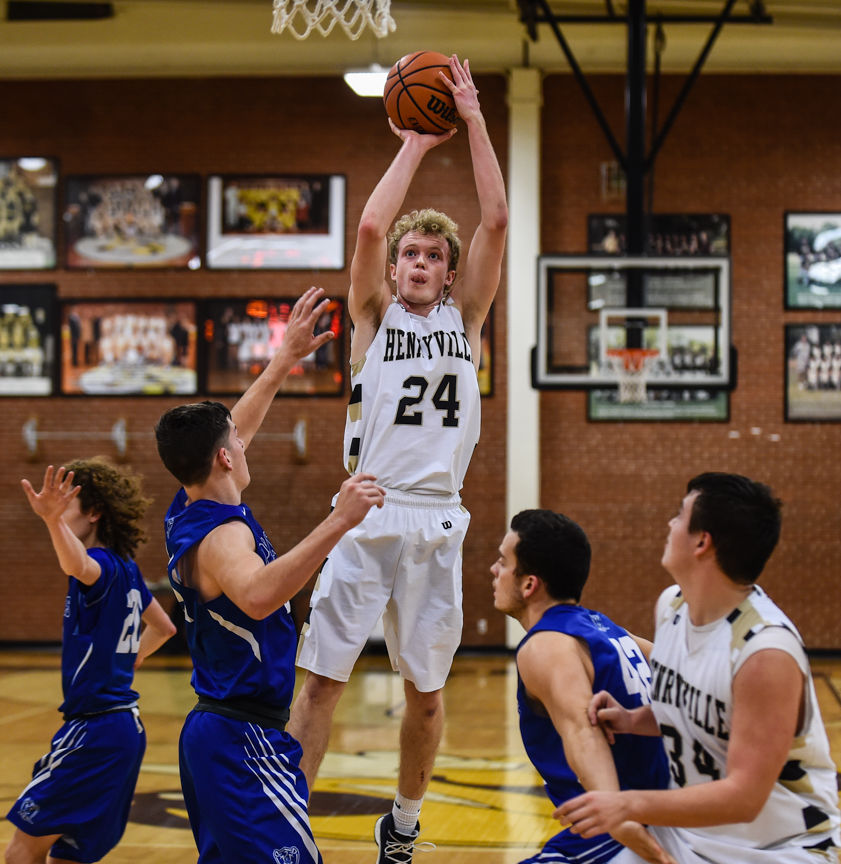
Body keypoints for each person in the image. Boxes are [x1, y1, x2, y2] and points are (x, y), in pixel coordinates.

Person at [287, 53, 508, 863]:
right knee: (322, 684)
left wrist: (473, 119)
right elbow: (371, 227)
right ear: (394, 269)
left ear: (448, 274)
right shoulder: (373, 315)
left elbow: (495, 221)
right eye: (409, 255)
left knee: (424, 695)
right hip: (365, 509)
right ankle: (287, 827)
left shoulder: (469, 318)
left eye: (430, 257)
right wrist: (415, 140)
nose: (416, 263)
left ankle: (404, 825)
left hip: (438, 520)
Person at [154, 286, 386, 864]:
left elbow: (238, 425)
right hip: (237, 741)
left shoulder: (193, 502)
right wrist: (338, 522)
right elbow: (257, 597)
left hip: (233, 734)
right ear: (225, 459)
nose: (244, 440)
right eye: (235, 441)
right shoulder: (221, 536)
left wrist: (283, 361)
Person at [558, 473, 841, 863]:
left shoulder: (765, 653)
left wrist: (626, 804)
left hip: (779, 849)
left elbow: (744, 798)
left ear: (702, 542)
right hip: (692, 837)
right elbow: (701, 713)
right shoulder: (672, 606)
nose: (669, 524)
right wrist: (633, 718)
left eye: (679, 515)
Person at [6, 458, 176, 864]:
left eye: (67, 506)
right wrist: (127, 660)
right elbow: (164, 627)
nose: (60, 513)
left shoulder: (98, 566)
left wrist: (51, 523)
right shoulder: (129, 571)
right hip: (124, 730)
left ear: (94, 513)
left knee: (20, 855)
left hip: (95, 731)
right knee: (67, 857)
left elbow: (76, 564)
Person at [491, 509, 677, 864]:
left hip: (624, 826)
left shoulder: (545, 645)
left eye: (503, 561)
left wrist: (624, 825)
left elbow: (582, 731)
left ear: (529, 584)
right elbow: (686, 674)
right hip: (663, 808)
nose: (494, 570)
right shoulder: (605, 627)